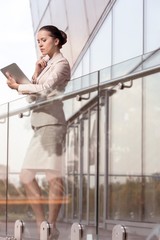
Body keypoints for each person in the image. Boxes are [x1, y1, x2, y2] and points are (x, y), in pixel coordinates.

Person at [6, 25, 71, 240]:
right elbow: (32, 98)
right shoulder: (45, 67)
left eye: (44, 40)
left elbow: (44, 91)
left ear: (56, 41)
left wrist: (18, 87)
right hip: (39, 125)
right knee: (26, 176)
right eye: (38, 41)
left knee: (53, 177)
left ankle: (51, 228)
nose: (40, 44)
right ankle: (42, 223)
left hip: (52, 124)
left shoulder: (61, 64)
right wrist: (34, 74)